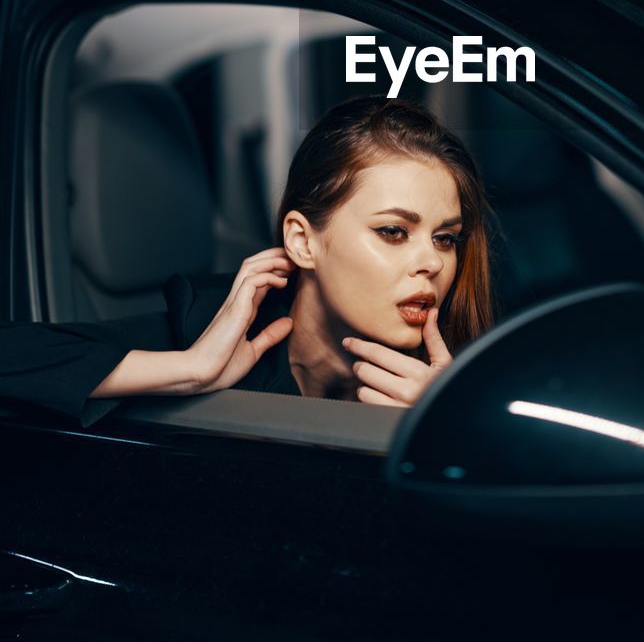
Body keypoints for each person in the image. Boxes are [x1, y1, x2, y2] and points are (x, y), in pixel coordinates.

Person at [0, 96, 493, 426]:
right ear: (302, 241)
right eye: (394, 231)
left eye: (446, 239)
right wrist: (187, 371)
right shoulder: (202, 339)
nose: (431, 261)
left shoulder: (456, 379)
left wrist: (453, 431)